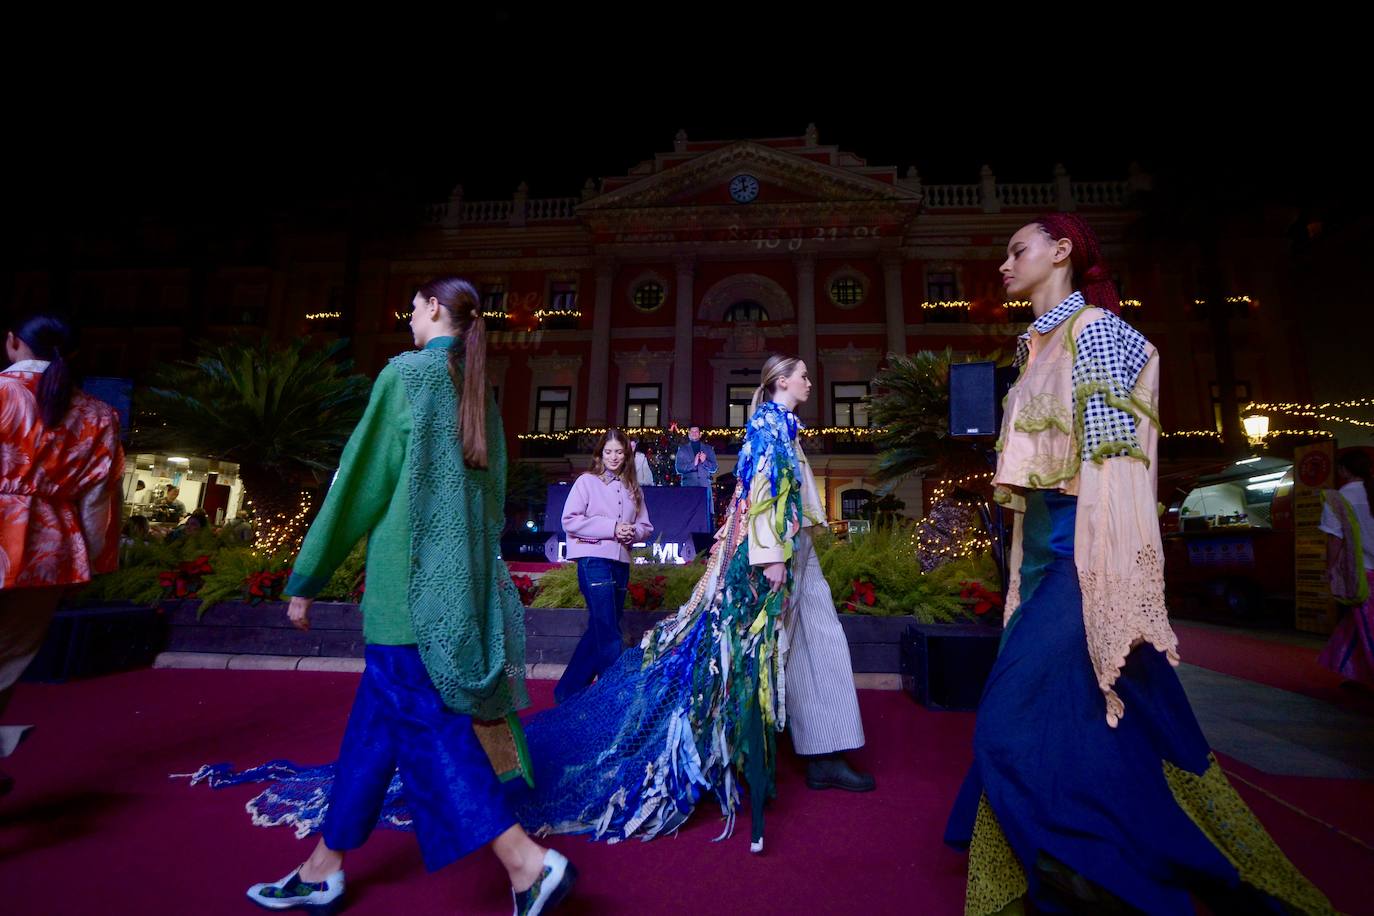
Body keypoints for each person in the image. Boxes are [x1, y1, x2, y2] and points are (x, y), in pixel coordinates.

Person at [197, 352, 873, 857]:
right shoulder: (765, 431)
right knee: (607, 643)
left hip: (753, 555)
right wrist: (768, 553)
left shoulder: (776, 429)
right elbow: (760, 499)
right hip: (685, 563)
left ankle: (803, 749)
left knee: (651, 644)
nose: (812, 384)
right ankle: (539, 803)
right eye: (805, 376)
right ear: (780, 383)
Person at [942, 214, 1332, 914]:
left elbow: (1117, 465)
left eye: (1017, 250)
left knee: (1008, 715)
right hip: (1042, 559)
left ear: (1060, 252)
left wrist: (1113, 576)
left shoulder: (1096, 332)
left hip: (1080, 555)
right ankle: (1095, 865)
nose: (1005, 264)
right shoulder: (1034, 346)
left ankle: (1102, 868)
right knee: (1099, 716)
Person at [235, 277, 575, 915]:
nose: (407, 319)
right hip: (458, 592)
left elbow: (357, 481)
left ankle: (526, 863)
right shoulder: (477, 393)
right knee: (375, 729)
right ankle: (322, 867)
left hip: (407, 589)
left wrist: (307, 577)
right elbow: (492, 505)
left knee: (428, 726)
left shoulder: (409, 376)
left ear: (434, 310)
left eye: (413, 308)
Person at [0, 314, 123, 794]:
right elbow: (98, 500)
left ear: (12, 343)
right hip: (47, 549)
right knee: (7, 659)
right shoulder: (97, 414)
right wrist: (90, 561)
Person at [554, 428, 652, 703]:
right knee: (608, 629)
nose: (613, 457)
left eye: (619, 452)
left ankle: (566, 693)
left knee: (601, 626)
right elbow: (569, 520)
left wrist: (633, 531)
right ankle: (613, 698)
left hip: (620, 562)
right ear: (600, 454)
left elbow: (645, 526)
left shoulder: (633, 488)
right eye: (608, 451)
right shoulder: (586, 482)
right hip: (593, 559)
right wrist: (612, 527)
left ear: (627, 455)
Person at [1317, 450, 1374, 687]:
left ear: (1343, 470)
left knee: (1367, 627)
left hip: (1361, 574)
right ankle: (1358, 676)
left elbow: (1335, 539)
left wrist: (1330, 569)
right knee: (1357, 626)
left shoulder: (1337, 499)